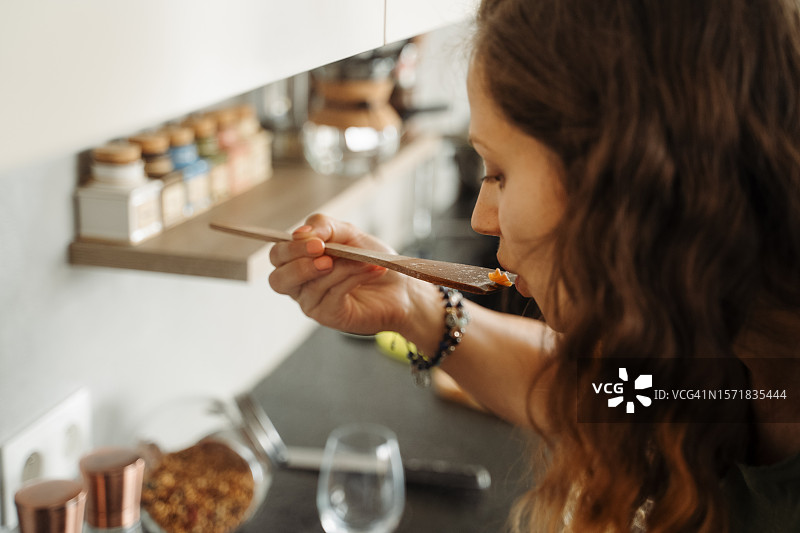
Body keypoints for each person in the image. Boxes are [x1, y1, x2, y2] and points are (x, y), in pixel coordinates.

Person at [268, 0, 800, 531]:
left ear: (632, 182)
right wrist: (413, 304)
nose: (481, 217)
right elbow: (620, 396)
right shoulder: (727, 359)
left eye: (498, 173)